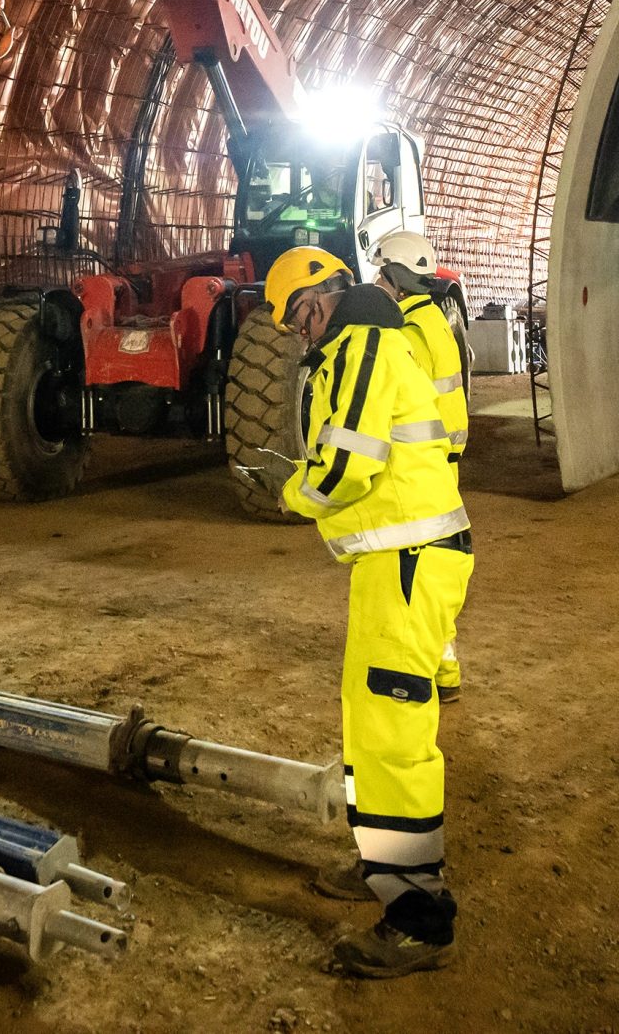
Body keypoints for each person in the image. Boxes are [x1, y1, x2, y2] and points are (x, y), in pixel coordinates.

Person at [252, 247, 471, 979]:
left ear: (318, 300)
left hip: (407, 561)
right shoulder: (367, 340)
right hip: (397, 562)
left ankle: (417, 918)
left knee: (392, 738)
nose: (295, 335)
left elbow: (347, 465)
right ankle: (384, 862)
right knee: (373, 725)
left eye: (293, 320)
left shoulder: (360, 344)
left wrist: (288, 493)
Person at [372, 230, 470, 705]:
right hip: (444, 457)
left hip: (424, 463)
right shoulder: (435, 320)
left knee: (419, 580)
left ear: (397, 277)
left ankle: (430, 673)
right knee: (435, 576)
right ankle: (445, 671)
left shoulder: (408, 334)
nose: (378, 282)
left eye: (382, 274)